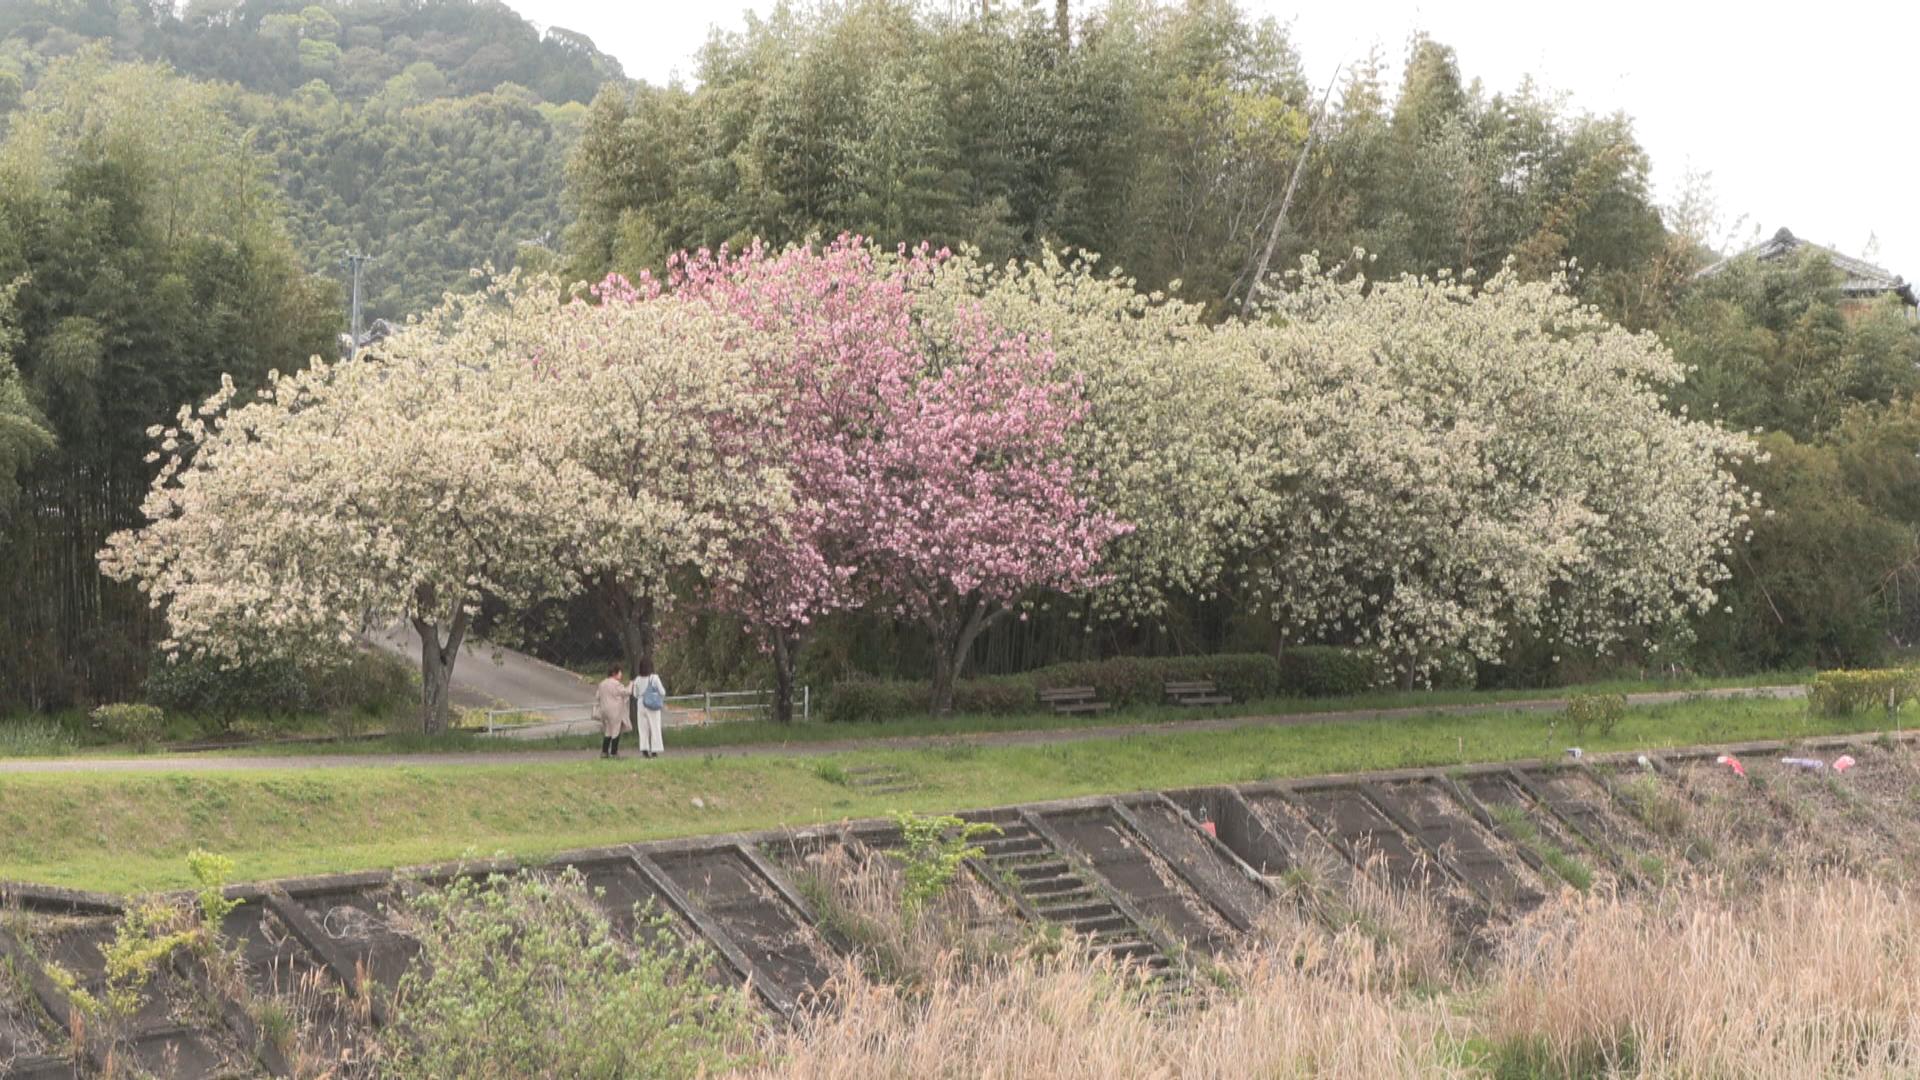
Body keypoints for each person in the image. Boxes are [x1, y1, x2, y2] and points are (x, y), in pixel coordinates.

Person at [629, 658, 666, 758]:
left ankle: (644, 749)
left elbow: (635, 694)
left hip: (641, 703)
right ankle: (655, 750)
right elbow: (662, 692)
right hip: (652, 703)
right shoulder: (654, 678)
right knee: (654, 727)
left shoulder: (637, 679)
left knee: (643, 728)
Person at [594, 664, 630, 758]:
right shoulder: (617, 684)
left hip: (604, 711)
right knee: (616, 731)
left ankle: (604, 751)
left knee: (608, 731)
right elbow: (626, 692)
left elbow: (597, 696)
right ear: (615, 673)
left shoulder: (602, 683)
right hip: (615, 711)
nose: (621, 675)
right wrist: (631, 685)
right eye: (619, 673)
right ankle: (614, 752)